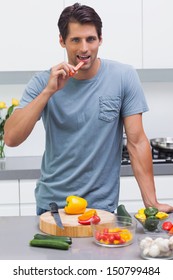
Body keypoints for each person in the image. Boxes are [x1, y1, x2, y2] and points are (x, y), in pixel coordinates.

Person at [4, 3, 173, 215]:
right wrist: (48, 92)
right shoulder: (42, 82)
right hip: (53, 206)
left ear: (100, 40)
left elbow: (137, 142)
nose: (84, 48)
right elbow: (11, 137)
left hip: (101, 208)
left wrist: (152, 202)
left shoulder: (123, 77)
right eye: (75, 40)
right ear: (62, 41)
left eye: (90, 39)